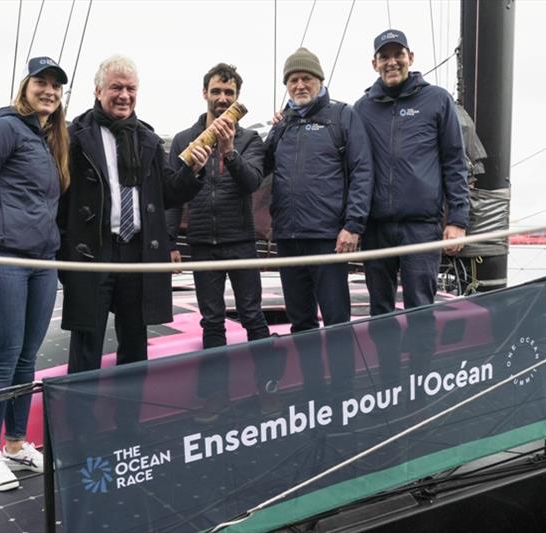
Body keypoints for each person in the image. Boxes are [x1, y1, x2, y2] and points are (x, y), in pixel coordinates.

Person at [57, 56, 210, 418]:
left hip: (137, 253)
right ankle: (79, 431)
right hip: (93, 252)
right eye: (116, 88)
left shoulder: (148, 139)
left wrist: (193, 171)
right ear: (98, 91)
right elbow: (59, 197)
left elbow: (168, 192)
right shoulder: (75, 136)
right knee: (86, 345)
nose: (124, 95)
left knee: (134, 348)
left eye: (130, 89)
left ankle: (129, 426)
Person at [0, 56, 70, 491]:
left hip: (42, 263)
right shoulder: (2, 130)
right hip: (1, 257)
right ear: (25, 87)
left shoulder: (48, 139)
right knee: (3, 358)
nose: (49, 91)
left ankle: (17, 445)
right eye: (41, 83)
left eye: (56, 87)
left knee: (27, 357)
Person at [355, 30, 469, 382]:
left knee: (421, 307)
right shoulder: (362, 108)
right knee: (381, 311)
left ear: (410, 57)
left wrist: (458, 219)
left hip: (421, 225)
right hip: (377, 227)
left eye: (397, 54)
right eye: (384, 56)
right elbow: (352, 163)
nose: (391, 61)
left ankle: (420, 381)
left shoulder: (436, 100)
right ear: (374, 63)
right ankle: (390, 381)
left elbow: (454, 160)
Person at [165, 63, 272, 416]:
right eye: (216, 91)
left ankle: (267, 387)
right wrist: (170, 242)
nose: (222, 98)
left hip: (240, 239)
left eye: (229, 93)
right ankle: (215, 395)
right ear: (205, 93)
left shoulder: (250, 140)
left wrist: (229, 151)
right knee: (211, 320)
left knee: (253, 314)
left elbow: (253, 182)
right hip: (201, 241)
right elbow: (172, 195)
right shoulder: (184, 139)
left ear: (237, 98)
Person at [265, 47, 373, 334]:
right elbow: (261, 167)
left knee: (337, 322)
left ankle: (342, 381)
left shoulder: (342, 116)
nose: (300, 85)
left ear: (320, 80)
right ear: (286, 86)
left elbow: (363, 170)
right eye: (293, 80)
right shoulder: (282, 124)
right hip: (288, 238)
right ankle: (310, 380)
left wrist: (353, 225)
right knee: (300, 324)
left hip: (327, 238)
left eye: (306, 78)